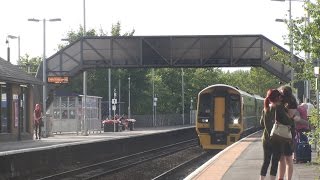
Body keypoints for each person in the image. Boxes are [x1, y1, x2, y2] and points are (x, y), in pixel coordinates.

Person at [260, 89, 294, 180]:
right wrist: (292, 118)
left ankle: (261, 179)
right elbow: (288, 122)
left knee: (266, 162)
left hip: (265, 139)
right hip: (276, 139)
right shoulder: (279, 108)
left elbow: (261, 124)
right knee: (274, 162)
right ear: (278, 98)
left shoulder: (265, 108)